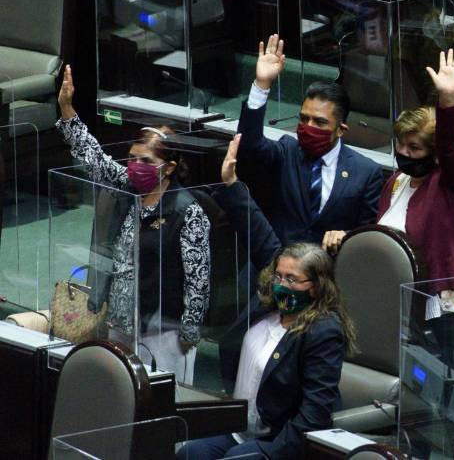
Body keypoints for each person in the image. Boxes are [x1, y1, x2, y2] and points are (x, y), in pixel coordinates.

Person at [178, 135, 355, 459]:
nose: (281, 284)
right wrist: (231, 184)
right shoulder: (270, 307)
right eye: (279, 276)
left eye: (292, 279)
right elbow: (258, 233)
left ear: (316, 287)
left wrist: (271, 453)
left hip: (278, 441)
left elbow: (315, 415)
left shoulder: (323, 331)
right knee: (188, 453)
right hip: (238, 428)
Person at [322, 49, 454, 374]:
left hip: (451, 306)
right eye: (401, 145)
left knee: (451, 389)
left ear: (435, 154)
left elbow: (452, 146)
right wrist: (350, 238)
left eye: (414, 148)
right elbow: (388, 238)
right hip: (406, 304)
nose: (404, 153)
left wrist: (448, 100)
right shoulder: (398, 181)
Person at [56, 65, 211, 383]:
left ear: (169, 168)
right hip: (120, 321)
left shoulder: (187, 212)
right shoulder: (127, 187)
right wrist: (67, 108)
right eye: (132, 158)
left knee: (163, 399)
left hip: (163, 330)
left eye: (146, 161)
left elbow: (198, 280)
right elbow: (94, 158)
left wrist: (189, 330)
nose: (135, 166)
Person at [237, 34, 385, 248]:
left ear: (341, 129)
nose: (309, 127)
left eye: (320, 122)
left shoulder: (366, 172)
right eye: (304, 118)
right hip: (278, 260)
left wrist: (345, 236)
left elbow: (368, 233)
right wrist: (262, 84)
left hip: (328, 265)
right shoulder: (286, 151)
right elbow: (249, 145)